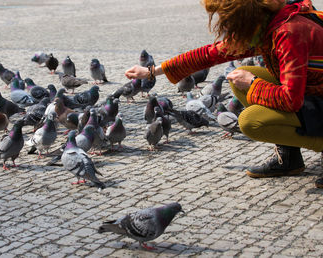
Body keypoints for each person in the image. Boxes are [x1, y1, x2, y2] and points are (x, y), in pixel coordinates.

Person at [125, 0, 323, 187]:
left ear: (244, 16)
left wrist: (253, 84)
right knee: (240, 77)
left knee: (250, 121)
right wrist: (151, 71)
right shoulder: (268, 22)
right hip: (312, 91)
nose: (226, 27)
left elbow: (290, 100)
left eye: (228, 21)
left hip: (312, 97)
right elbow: (211, 53)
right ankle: (289, 157)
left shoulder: (288, 32)